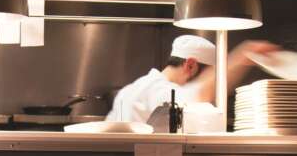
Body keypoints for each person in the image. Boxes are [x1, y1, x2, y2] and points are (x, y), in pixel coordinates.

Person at [107, 35, 278, 123]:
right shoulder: (159, 90)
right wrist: (244, 54)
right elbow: (200, 93)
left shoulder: (131, 89)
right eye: (210, 74)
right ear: (190, 65)